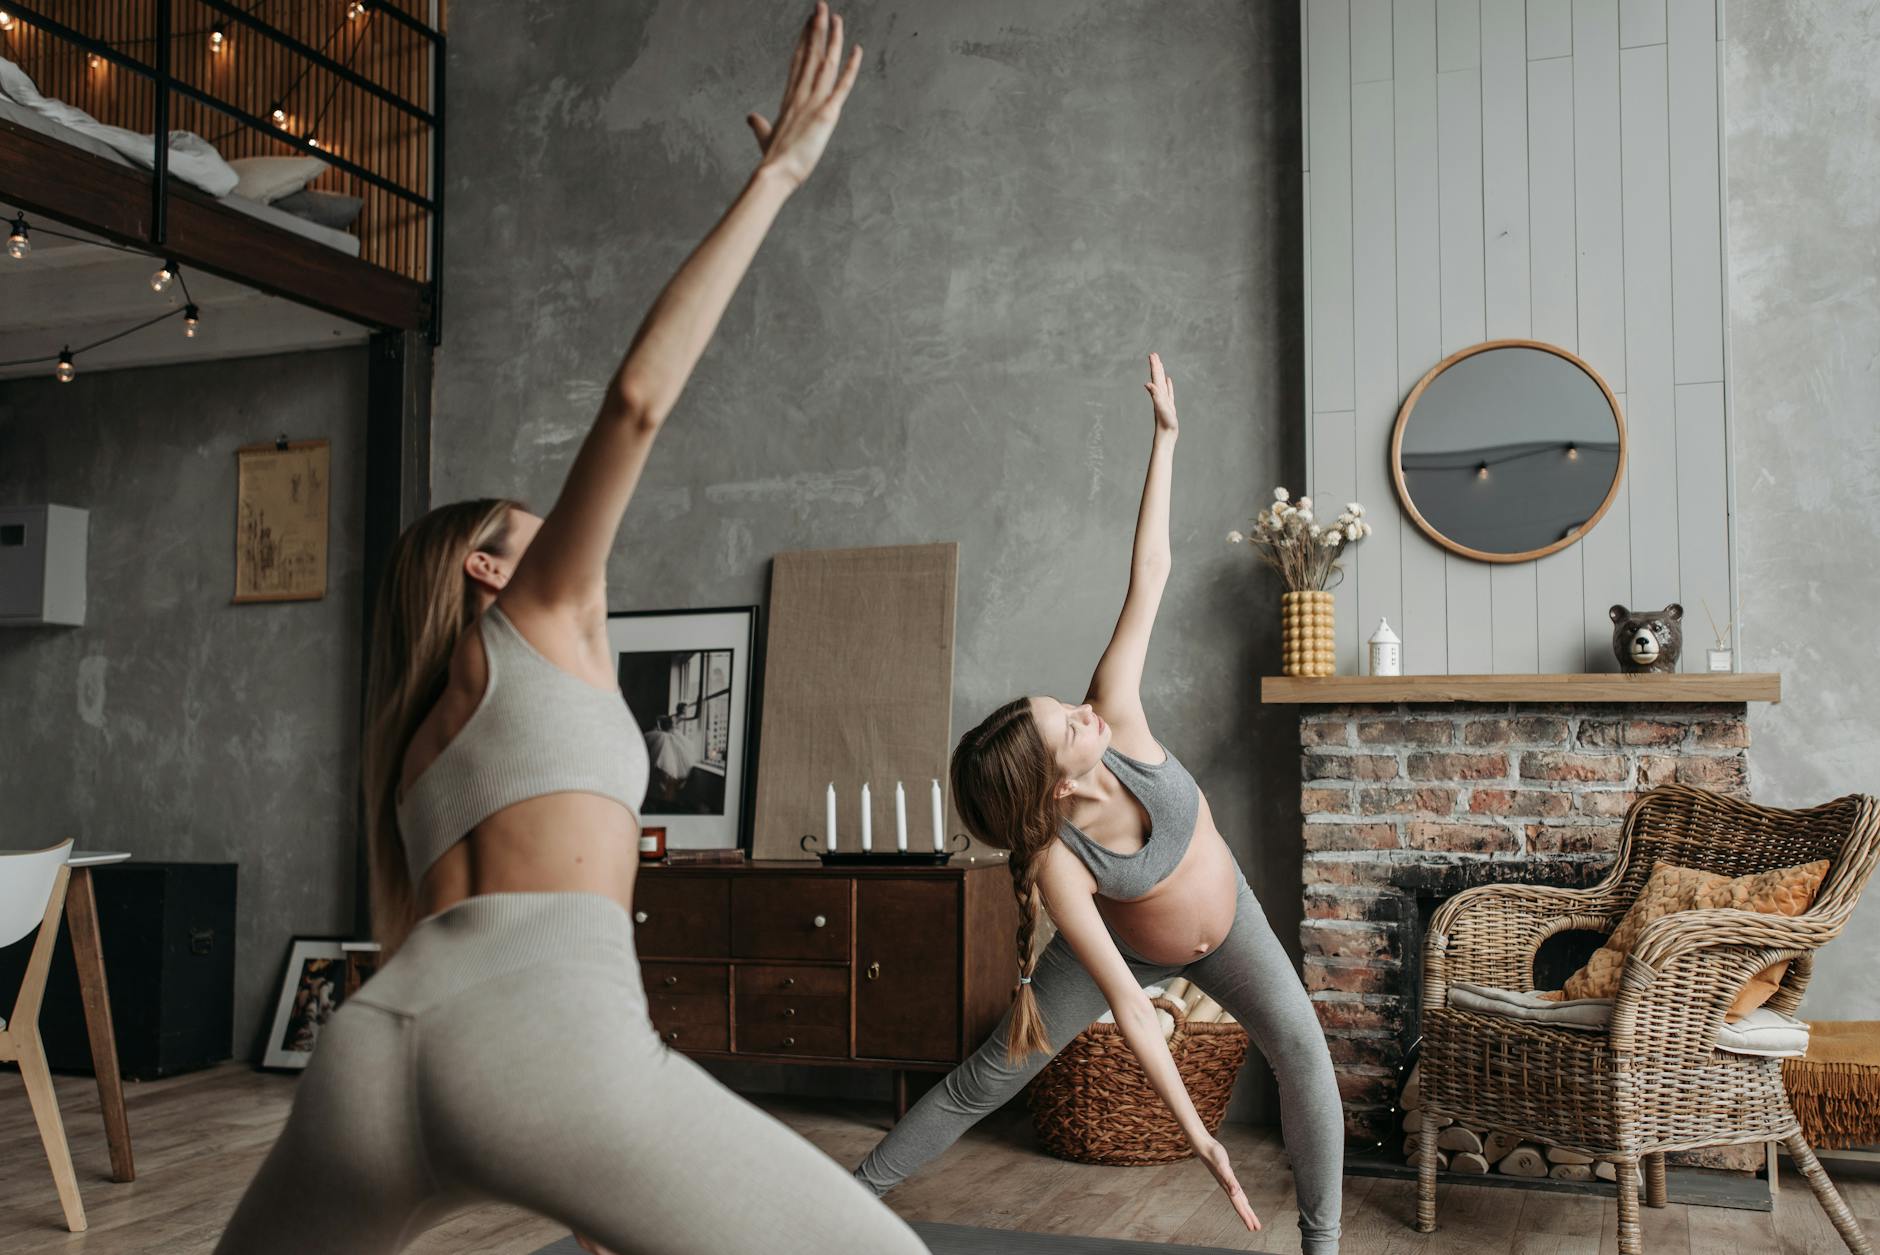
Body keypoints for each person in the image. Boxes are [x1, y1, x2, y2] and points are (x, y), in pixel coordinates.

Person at [214, 10, 926, 1254]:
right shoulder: (542, 617)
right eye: (528, 525)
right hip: (539, 1048)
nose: (565, 538)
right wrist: (778, 178)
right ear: (488, 568)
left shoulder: (423, 735)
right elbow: (638, 403)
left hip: (374, 1053)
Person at [853, 354, 1345, 1254]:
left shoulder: (1116, 712)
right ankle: (851, 1198)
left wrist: (1165, 440)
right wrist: (1200, 1134)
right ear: (1055, 784)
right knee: (987, 1077)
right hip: (1123, 948)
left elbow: (1147, 571)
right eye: (1065, 726)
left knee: (1305, 1051)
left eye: (1065, 704)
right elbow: (1125, 1002)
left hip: (1230, 927)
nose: (1082, 710)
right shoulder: (1057, 864)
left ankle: (1323, 1245)